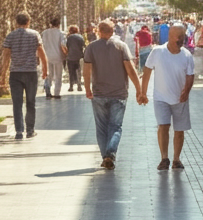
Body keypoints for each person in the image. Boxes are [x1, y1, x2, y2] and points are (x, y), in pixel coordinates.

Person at [83, 20, 143, 170]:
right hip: (119, 94)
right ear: (112, 31)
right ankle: (110, 154)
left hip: (99, 93)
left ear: (98, 31)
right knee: (115, 127)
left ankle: (106, 156)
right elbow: (130, 69)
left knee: (101, 127)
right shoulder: (121, 46)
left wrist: (87, 89)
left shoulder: (91, 48)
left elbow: (86, 71)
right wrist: (139, 89)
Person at [141, 23, 195, 171]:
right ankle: (164, 158)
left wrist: (186, 91)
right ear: (171, 37)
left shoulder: (186, 55)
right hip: (161, 98)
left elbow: (190, 76)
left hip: (180, 99)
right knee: (163, 126)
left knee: (179, 130)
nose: (182, 39)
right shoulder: (158, 52)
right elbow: (147, 71)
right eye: (180, 36)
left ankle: (176, 159)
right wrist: (142, 92)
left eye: (183, 36)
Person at [0, 13, 47, 140]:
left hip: (15, 74)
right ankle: (30, 130)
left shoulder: (10, 36)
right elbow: (42, 53)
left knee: (17, 103)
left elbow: (6, 56)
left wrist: (3, 74)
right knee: (31, 102)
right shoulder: (34, 34)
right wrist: (45, 69)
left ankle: (19, 131)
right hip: (31, 73)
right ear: (28, 22)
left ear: (16, 22)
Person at [40, 18, 66, 99]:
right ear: (59, 25)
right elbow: (63, 45)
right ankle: (57, 93)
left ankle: (48, 90)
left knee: (49, 75)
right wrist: (66, 54)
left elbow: (41, 44)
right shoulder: (61, 33)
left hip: (47, 56)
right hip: (58, 56)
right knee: (58, 76)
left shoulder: (45, 32)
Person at [63, 26, 86, 94]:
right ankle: (79, 86)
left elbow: (67, 46)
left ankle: (71, 86)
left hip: (70, 57)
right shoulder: (80, 37)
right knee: (78, 71)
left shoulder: (69, 38)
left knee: (71, 72)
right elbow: (83, 45)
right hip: (79, 57)